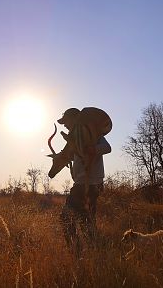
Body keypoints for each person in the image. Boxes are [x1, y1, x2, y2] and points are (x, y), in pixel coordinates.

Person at [57, 107, 112, 253]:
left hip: (89, 185)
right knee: (86, 221)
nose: (65, 125)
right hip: (83, 184)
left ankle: (77, 252)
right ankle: (97, 252)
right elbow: (68, 156)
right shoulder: (74, 139)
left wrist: (92, 149)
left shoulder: (93, 134)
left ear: (75, 119)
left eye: (66, 121)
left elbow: (107, 148)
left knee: (66, 218)